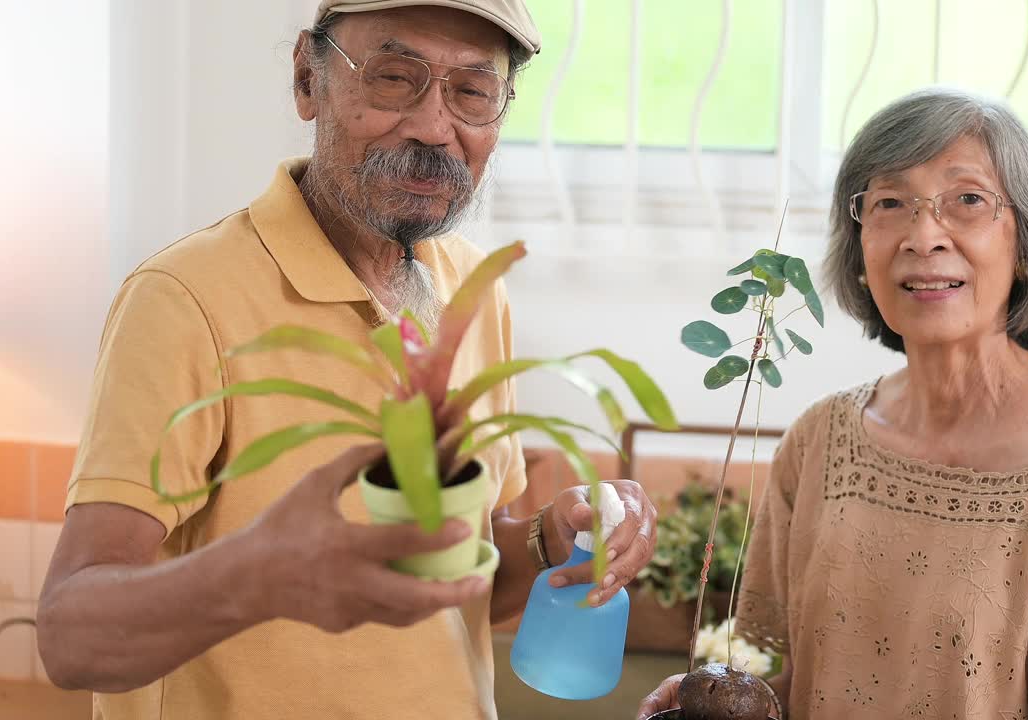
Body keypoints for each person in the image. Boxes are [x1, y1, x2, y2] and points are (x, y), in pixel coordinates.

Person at [35, 2, 659, 718]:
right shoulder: (183, 299)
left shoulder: (474, 291)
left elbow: (454, 591)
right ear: (308, 79)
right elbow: (68, 636)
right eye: (395, 78)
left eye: (474, 92)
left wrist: (552, 538)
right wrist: (256, 574)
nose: (434, 126)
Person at [639, 88, 1028, 719]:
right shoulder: (819, 443)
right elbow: (779, 684)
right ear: (861, 246)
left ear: (1027, 248)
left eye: (968, 201)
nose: (924, 236)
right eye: (891, 202)